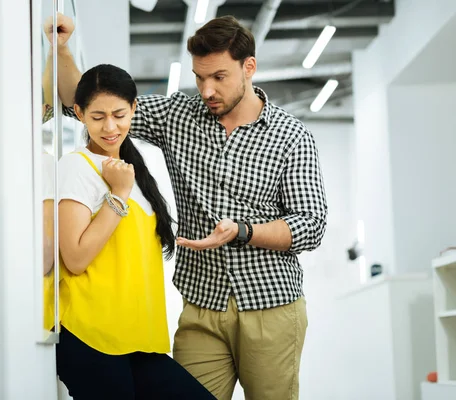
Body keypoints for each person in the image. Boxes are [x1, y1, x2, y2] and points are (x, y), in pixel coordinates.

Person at [54, 13, 328, 400]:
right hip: (201, 306)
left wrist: (243, 231)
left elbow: (311, 225)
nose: (207, 89)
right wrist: (62, 48)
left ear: (249, 67)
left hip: (271, 307)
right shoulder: (178, 115)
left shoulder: (292, 136)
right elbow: (92, 104)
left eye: (219, 76)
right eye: (200, 77)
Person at [54, 63, 215, 400]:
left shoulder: (133, 173)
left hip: (138, 340)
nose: (110, 127)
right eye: (97, 117)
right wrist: (118, 195)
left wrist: (123, 187)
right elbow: (76, 258)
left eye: (119, 114)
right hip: (92, 339)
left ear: (134, 110)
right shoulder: (76, 167)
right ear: (80, 114)